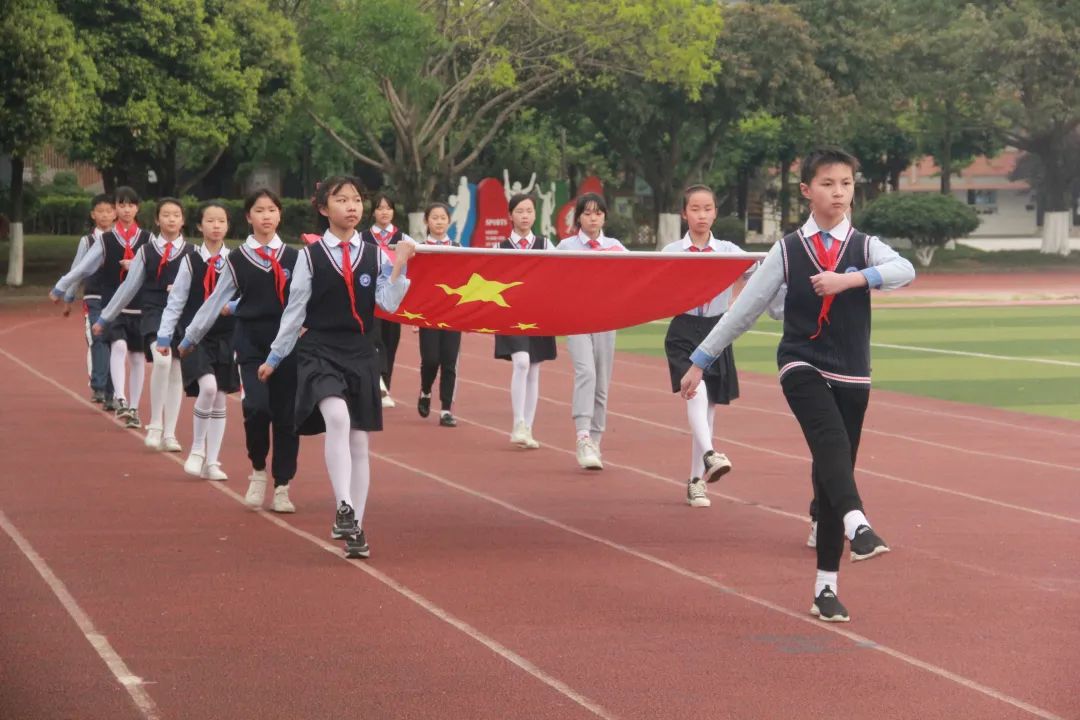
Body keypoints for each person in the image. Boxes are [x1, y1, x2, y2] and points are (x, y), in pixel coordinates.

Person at [680, 147, 915, 622]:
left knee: (833, 473)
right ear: (807, 191)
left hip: (853, 371)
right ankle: (860, 523)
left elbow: (904, 271)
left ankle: (825, 589)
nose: (839, 193)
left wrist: (850, 281)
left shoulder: (865, 246)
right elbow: (743, 312)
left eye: (847, 184)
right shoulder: (787, 250)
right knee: (829, 443)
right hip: (801, 363)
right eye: (828, 184)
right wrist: (699, 360)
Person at [258, 176, 413, 558]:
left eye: (357, 199)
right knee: (338, 419)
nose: (352, 206)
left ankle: (355, 527)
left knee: (360, 440)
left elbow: (388, 305)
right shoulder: (310, 256)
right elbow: (294, 310)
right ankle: (343, 505)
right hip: (320, 350)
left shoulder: (377, 255)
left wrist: (400, 266)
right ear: (324, 209)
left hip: (360, 353)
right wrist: (275, 357)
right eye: (341, 200)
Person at [179, 189, 300, 513]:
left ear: (279, 215)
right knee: (257, 408)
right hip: (250, 343)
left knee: (287, 417)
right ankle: (259, 470)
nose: (266, 216)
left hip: (287, 344)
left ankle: (283, 485)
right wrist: (191, 337)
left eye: (272, 210)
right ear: (249, 217)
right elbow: (216, 300)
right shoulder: (238, 259)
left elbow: (305, 302)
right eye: (259, 210)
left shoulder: (295, 258)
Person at [662, 186, 758, 508]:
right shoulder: (672, 251)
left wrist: (734, 303)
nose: (701, 215)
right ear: (684, 213)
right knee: (695, 392)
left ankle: (696, 482)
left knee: (709, 409)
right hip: (683, 329)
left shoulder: (729, 250)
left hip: (717, 330)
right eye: (695, 209)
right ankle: (709, 455)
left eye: (707, 209)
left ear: (715, 212)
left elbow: (754, 272)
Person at [95, 198, 192, 451]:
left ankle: (170, 433)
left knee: (176, 372)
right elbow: (128, 288)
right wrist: (105, 317)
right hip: (154, 313)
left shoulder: (193, 252)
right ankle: (155, 424)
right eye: (166, 214)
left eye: (176, 215)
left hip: (182, 315)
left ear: (183, 220)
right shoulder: (146, 251)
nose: (171, 219)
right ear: (157, 220)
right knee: (161, 361)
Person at [53, 186, 152, 427]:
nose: (126, 209)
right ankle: (120, 397)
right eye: (121, 205)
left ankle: (134, 407)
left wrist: (137, 265)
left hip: (139, 305)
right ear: (116, 208)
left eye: (131, 205)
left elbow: (160, 269)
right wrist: (62, 287)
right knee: (117, 346)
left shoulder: (149, 239)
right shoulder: (106, 240)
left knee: (138, 357)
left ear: (137, 208)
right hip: (111, 304)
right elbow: (84, 266)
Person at [156, 202, 238, 480]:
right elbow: (176, 300)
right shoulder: (190, 261)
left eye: (221, 221)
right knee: (209, 387)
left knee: (221, 398)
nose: (216, 226)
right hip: (195, 337)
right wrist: (165, 335)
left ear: (228, 226)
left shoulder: (235, 260)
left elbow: (247, 295)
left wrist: (235, 307)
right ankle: (197, 449)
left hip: (226, 337)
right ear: (200, 225)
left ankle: (213, 461)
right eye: (210, 221)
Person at [555, 193, 626, 469]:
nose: (593, 218)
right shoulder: (566, 247)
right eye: (587, 213)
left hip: (606, 321)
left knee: (602, 382)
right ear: (579, 218)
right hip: (577, 320)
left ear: (604, 216)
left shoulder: (615, 247)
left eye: (598, 213)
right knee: (586, 372)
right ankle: (582, 436)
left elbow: (639, 275)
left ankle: (595, 440)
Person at [493, 194, 556, 449]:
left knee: (534, 369)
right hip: (510, 313)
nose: (525, 215)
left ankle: (528, 428)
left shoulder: (545, 244)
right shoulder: (500, 247)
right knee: (521, 362)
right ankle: (518, 423)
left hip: (537, 314)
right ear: (511, 215)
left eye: (529, 210)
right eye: (520, 211)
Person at [55, 193, 116, 406]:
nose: (105, 215)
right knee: (98, 339)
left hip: (116, 298)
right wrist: (69, 297)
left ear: (115, 213)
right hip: (94, 296)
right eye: (100, 211)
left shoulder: (121, 239)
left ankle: (112, 391)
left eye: (109, 211)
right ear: (93, 215)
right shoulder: (87, 241)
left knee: (115, 342)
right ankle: (100, 386)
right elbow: (77, 269)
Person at [360, 193, 414, 408]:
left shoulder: (404, 239)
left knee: (391, 343)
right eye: (380, 208)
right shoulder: (362, 237)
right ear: (373, 212)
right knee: (375, 340)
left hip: (394, 299)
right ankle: (378, 385)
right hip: (370, 298)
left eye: (388, 208)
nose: (384, 212)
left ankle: (384, 385)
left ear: (393, 211)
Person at [416, 202, 462, 427]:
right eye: (435, 217)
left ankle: (445, 409)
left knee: (450, 362)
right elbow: (415, 284)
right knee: (431, 359)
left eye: (443, 217)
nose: (439, 222)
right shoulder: (420, 249)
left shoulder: (459, 247)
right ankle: (425, 390)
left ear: (449, 221)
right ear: (427, 221)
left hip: (452, 314)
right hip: (428, 314)